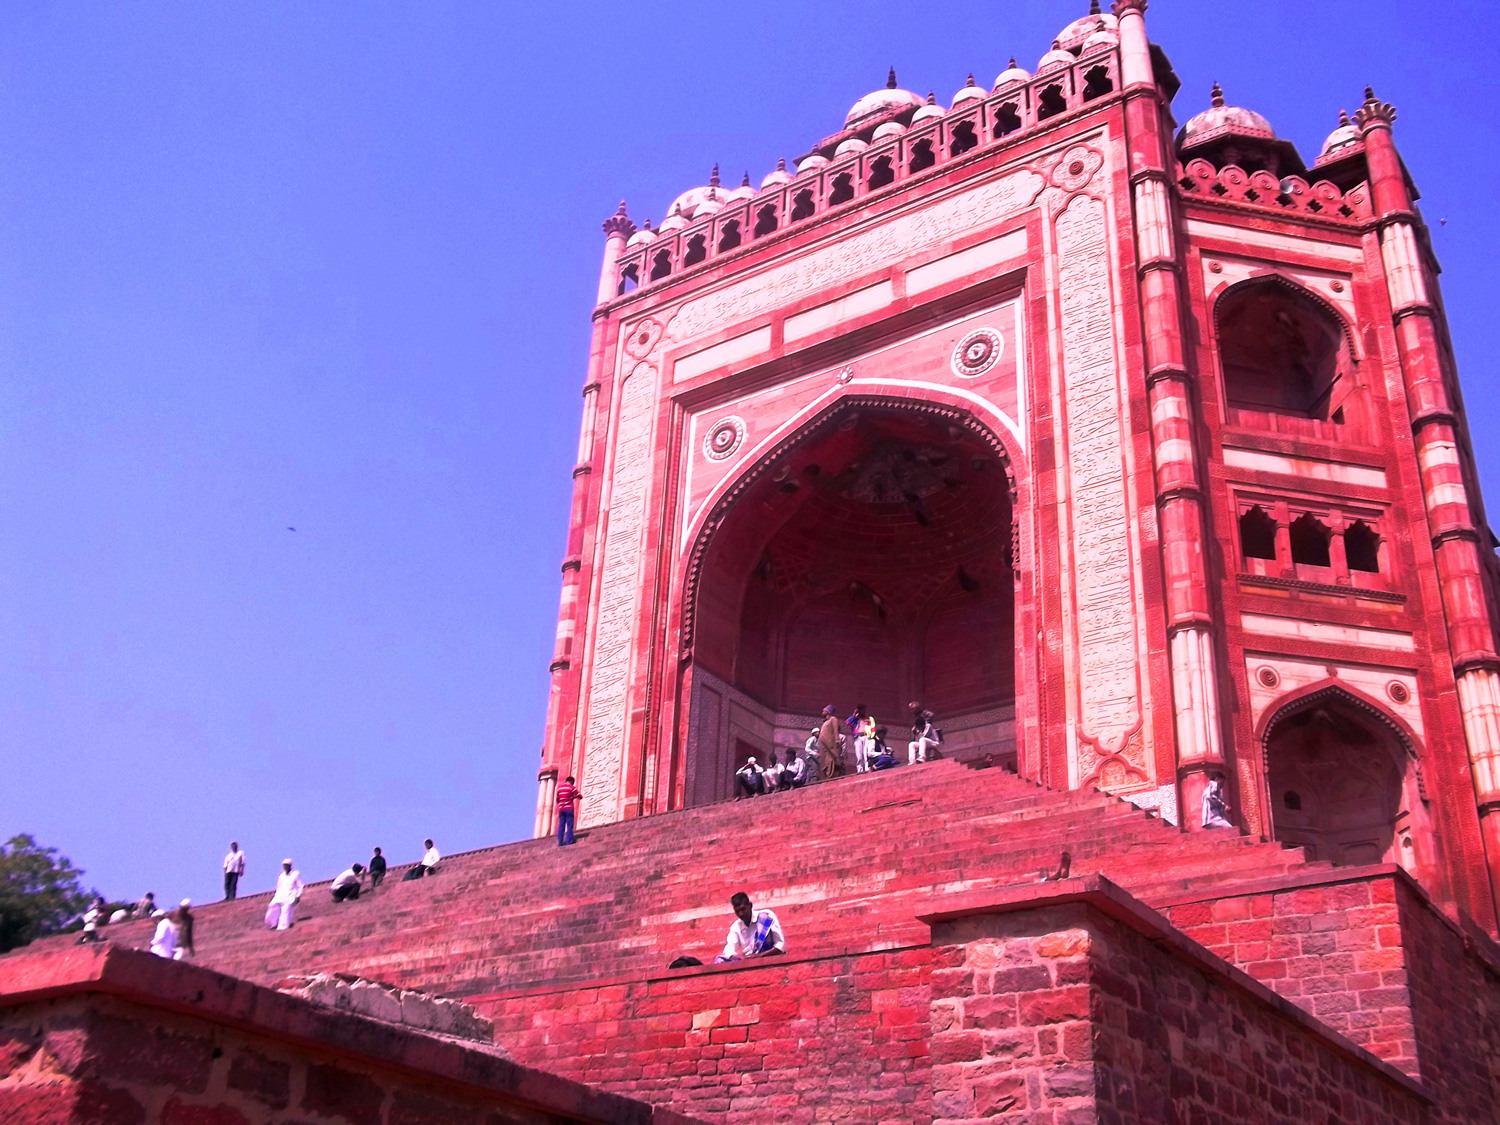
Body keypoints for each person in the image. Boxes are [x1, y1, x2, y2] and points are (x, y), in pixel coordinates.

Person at [713, 892, 785, 963]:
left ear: (750, 906)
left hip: (768, 958)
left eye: (743, 909)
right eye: (737, 911)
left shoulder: (767, 916)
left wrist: (760, 955)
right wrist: (741, 958)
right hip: (747, 961)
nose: (741, 913)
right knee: (719, 960)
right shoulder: (736, 927)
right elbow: (728, 951)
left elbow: (780, 945)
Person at [265, 859, 303, 930]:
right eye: (284, 865)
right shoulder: (281, 876)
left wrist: (298, 896)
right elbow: (278, 887)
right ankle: (272, 924)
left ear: (290, 866)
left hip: (290, 895)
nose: (285, 867)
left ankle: (283, 927)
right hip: (280, 895)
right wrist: (276, 895)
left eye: (286, 865)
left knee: (285, 911)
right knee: (272, 906)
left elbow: (300, 885)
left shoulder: (295, 874)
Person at [848, 705, 876, 773]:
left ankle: (866, 769)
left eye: (863, 710)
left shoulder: (869, 718)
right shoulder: (855, 719)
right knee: (859, 755)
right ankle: (860, 770)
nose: (862, 711)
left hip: (866, 737)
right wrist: (854, 715)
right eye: (861, 710)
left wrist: (871, 736)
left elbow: (873, 728)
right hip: (858, 737)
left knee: (866, 755)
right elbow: (848, 722)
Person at [817, 706, 843, 780]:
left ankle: (831, 777)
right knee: (824, 763)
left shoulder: (833, 719)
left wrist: (837, 740)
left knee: (830, 761)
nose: (822, 712)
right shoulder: (825, 722)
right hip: (824, 747)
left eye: (824, 711)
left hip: (830, 746)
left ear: (828, 712)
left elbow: (835, 730)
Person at [556, 775, 582, 846]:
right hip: (569, 808)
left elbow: (557, 799)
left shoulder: (559, 788)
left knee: (561, 825)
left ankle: (560, 842)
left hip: (561, 809)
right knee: (569, 825)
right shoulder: (572, 788)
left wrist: (562, 803)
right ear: (571, 782)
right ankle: (569, 840)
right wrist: (573, 797)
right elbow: (579, 796)